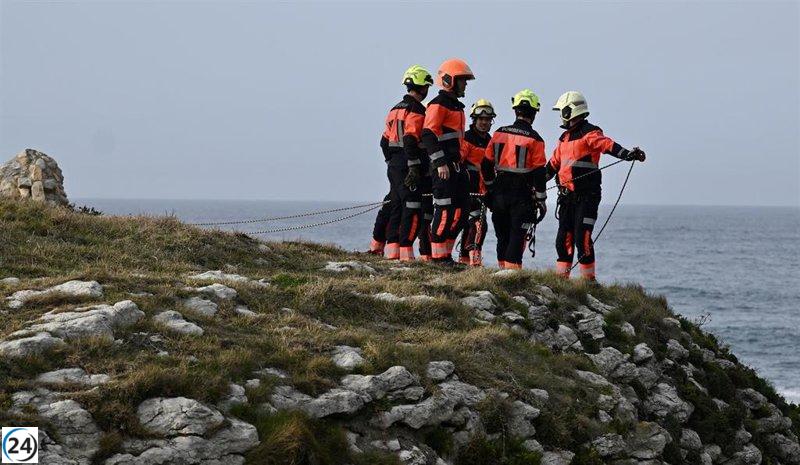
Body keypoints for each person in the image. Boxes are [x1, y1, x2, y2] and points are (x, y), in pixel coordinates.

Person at [547, 90, 646, 280]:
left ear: (570, 111)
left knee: (581, 239)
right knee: (563, 241)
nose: (561, 114)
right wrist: (534, 183)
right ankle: (561, 282)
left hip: (587, 197)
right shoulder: (564, 138)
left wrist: (627, 154)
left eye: (562, 110)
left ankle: (588, 283)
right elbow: (552, 165)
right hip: (567, 198)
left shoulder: (590, 132)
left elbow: (607, 145)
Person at [481, 89, 547, 270]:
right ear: (534, 113)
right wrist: (541, 200)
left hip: (499, 191)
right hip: (522, 194)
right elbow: (539, 173)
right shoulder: (536, 140)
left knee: (502, 236)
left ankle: (502, 274)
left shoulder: (499, 133)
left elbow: (485, 165)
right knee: (516, 237)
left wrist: (490, 187)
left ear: (515, 110)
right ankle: (512, 277)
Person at [421, 58, 474, 264]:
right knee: (444, 211)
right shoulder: (438, 104)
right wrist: (440, 162)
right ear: (449, 80)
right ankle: (437, 258)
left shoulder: (457, 107)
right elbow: (428, 134)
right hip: (443, 168)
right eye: (462, 80)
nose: (465, 84)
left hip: (456, 168)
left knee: (461, 213)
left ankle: (446, 255)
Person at [378, 65, 433, 261]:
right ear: (422, 87)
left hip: (393, 164)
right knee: (412, 206)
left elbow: (384, 141)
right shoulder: (417, 109)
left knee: (396, 206)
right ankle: (406, 254)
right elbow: (411, 139)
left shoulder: (394, 109)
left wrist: (390, 161)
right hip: (409, 163)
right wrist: (414, 165)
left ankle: (392, 252)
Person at [458, 99, 494, 266]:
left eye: (487, 120)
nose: (484, 123)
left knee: (473, 225)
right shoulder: (466, 138)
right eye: (481, 119)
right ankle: (475, 260)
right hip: (467, 190)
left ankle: (464, 261)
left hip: (483, 191)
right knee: (479, 224)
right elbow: (459, 161)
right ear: (474, 119)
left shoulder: (491, 141)